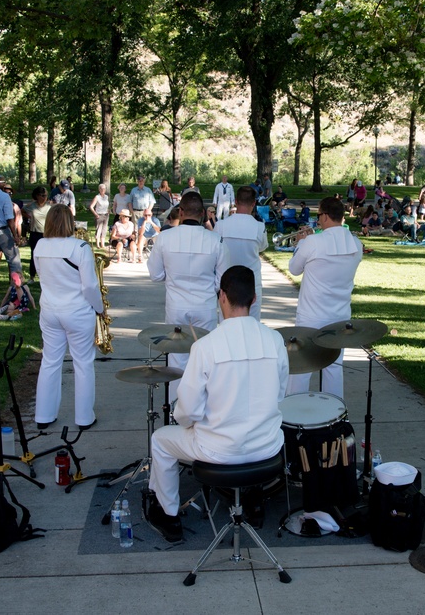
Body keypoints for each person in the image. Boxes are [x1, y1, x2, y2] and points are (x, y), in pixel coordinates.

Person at [143, 265, 289, 542]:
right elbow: (279, 395)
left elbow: (187, 412)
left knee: (161, 439)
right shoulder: (275, 340)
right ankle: (254, 500)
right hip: (266, 445)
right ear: (254, 299)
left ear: (221, 296)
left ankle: (169, 515)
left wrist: (192, 422)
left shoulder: (206, 346)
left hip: (218, 449)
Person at [33, 204, 104, 429]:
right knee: (83, 363)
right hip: (77, 311)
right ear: (69, 222)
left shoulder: (40, 246)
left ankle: (43, 415)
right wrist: (100, 309)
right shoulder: (80, 247)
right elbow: (90, 286)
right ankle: (84, 417)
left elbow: (41, 275)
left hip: (50, 310)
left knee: (50, 361)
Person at [287, 197, 362, 398]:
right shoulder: (356, 244)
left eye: (319, 215)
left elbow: (294, 269)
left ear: (326, 216)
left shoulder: (312, 242)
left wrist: (300, 245)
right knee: (334, 367)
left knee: (302, 368)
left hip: (311, 315)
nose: (318, 219)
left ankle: (294, 415)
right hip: (339, 314)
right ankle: (334, 414)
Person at [147, 192, 228, 371]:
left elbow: (155, 275)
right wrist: (205, 286)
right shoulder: (215, 240)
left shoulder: (165, 238)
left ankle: (177, 398)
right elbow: (222, 280)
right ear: (203, 213)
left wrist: (175, 278)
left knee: (176, 361)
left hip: (176, 305)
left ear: (181, 212)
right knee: (205, 361)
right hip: (205, 306)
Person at [214, 186, 269, 319]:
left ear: (236, 201)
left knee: (226, 326)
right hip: (251, 283)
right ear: (254, 203)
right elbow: (262, 247)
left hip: (227, 282)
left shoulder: (221, 226)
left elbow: (214, 252)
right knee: (252, 323)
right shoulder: (259, 227)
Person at [23, 186, 51, 281]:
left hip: (46, 234)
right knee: (34, 255)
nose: (44, 197)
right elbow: (22, 211)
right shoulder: (32, 206)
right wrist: (29, 217)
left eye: (46, 195)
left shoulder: (49, 206)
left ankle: (45, 277)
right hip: (35, 233)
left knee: (46, 256)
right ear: (37, 196)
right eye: (42, 195)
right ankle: (32, 276)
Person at [88, 183, 111, 249]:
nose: (103, 190)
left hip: (106, 215)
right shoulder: (97, 197)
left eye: (104, 189)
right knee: (99, 229)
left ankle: (102, 244)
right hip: (99, 215)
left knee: (104, 229)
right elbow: (91, 207)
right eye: (101, 189)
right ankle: (98, 244)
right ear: (99, 189)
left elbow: (106, 205)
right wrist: (96, 214)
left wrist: (108, 210)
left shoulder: (106, 197)